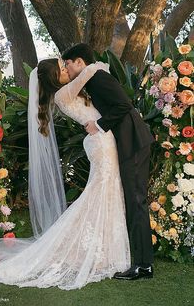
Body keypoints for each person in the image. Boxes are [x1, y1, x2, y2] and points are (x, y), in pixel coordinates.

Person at [0, 58, 130, 290]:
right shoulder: (62, 95)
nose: (66, 70)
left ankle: (104, 247)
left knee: (106, 190)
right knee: (100, 190)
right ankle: (87, 247)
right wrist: (92, 65)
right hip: (100, 144)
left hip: (102, 139)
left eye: (63, 65)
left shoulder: (70, 90)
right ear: (54, 79)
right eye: (61, 69)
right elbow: (89, 71)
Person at [62, 43, 155, 280]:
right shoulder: (92, 79)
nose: (67, 69)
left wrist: (99, 125)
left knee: (137, 202)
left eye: (69, 64)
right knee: (135, 201)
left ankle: (143, 266)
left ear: (80, 62)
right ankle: (142, 263)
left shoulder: (98, 78)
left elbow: (125, 104)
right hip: (130, 144)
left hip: (133, 143)